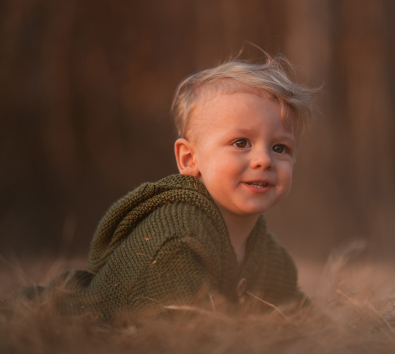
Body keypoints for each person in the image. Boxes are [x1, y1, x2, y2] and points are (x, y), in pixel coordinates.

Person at [21, 53, 317, 320]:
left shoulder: (266, 253)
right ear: (189, 158)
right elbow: (187, 325)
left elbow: (295, 312)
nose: (264, 160)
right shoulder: (176, 234)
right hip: (60, 321)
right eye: (241, 143)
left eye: (280, 148)